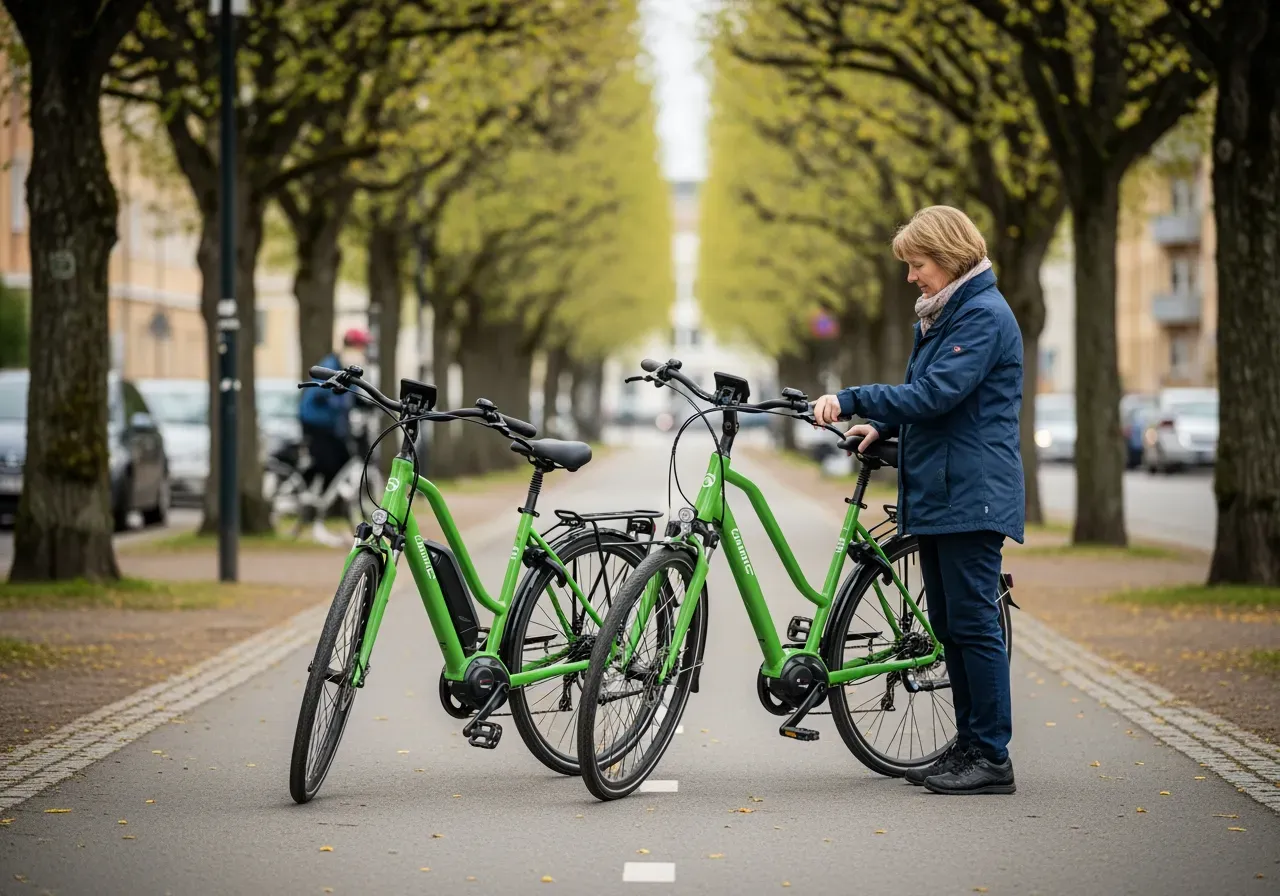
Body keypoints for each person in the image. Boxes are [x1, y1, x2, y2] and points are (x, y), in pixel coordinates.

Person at [813, 206, 1024, 796]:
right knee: (949, 625)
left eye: (918, 263)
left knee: (975, 624)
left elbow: (937, 393)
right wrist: (880, 423)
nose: (911, 276)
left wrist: (854, 398)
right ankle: (968, 743)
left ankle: (991, 756)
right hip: (943, 489)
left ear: (951, 258)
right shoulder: (946, 314)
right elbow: (936, 403)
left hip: (972, 493)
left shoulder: (981, 315)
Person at [298, 328, 370, 544]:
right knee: (332, 464)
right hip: (318, 424)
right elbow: (323, 393)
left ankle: (318, 506)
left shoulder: (344, 367)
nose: (364, 351)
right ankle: (314, 511)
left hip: (332, 426)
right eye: (361, 346)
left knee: (340, 464)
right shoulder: (332, 365)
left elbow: (351, 396)